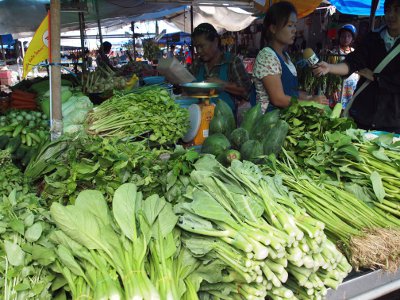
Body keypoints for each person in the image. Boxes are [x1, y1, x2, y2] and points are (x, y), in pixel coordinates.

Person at [313, 0, 400, 133]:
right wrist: (330, 68)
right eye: (388, 10)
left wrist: (377, 78)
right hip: (363, 114)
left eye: (397, 9)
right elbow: (352, 63)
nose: (391, 15)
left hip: (392, 120)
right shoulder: (372, 38)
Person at [253, 1, 327, 113]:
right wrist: (310, 103)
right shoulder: (267, 56)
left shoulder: (285, 56)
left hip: (286, 119)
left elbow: (291, 93)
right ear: (273, 28)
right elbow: (278, 99)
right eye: (289, 25)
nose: (294, 30)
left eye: (295, 25)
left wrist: (309, 97)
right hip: (269, 123)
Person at [190, 22, 252, 112]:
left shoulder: (232, 62)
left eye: (202, 46)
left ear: (215, 41)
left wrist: (222, 84)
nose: (198, 51)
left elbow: (246, 91)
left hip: (225, 121)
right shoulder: (197, 64)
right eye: (196, 47)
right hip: (199, 119)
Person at [328, 24, 360, 109]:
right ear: (339, 37)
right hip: (338, 88)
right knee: (337, 110)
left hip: (352, 89)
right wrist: (333, 89)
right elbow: (331, 74)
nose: (346, 39)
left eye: (349, 36)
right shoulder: (334, 53)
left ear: (352, 39)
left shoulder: (355, 53)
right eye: (343, 36)